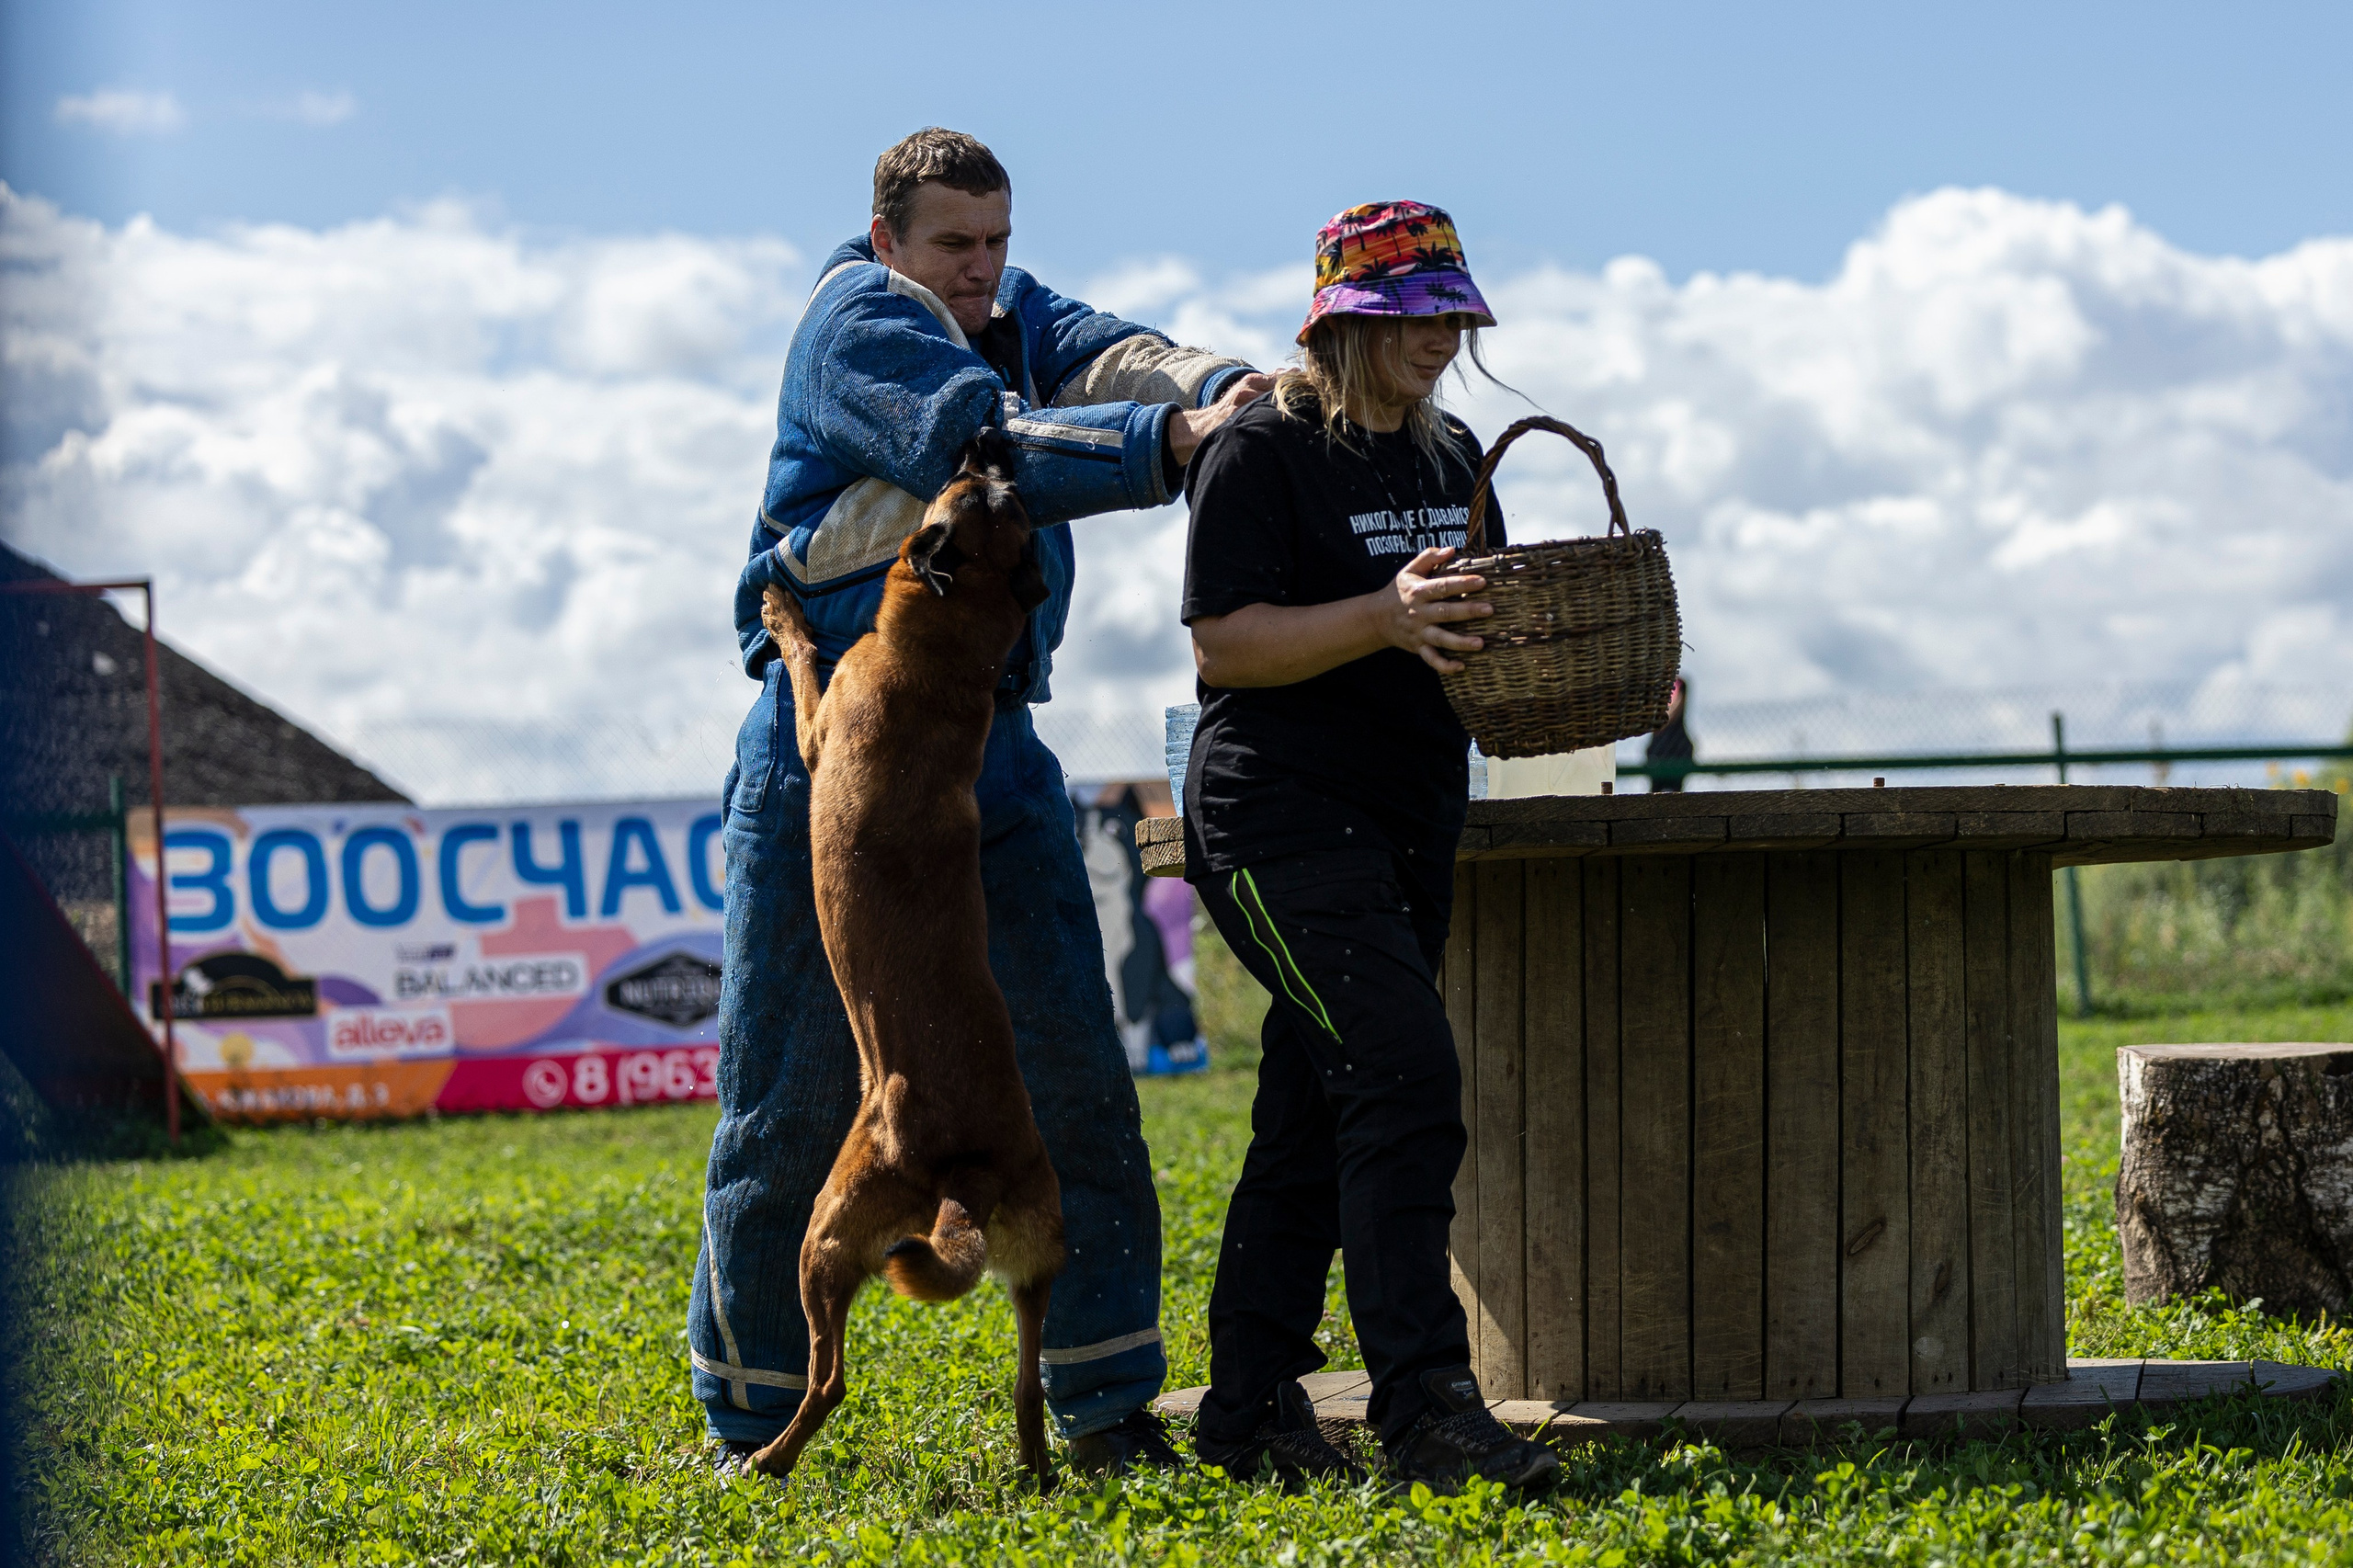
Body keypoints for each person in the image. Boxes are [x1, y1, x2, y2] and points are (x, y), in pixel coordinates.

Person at [694, 128, 1273, 1476]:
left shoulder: (1006, 307)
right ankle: (746, 1414)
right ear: (887, 239)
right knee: (787, 1085)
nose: (985, 269)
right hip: (832, 739)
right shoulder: (859, 326)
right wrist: (1175, 440)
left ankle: (1107, 1402)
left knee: (1070, 1056)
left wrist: (1236, 384)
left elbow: (1117, 350)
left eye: (999, 241)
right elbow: (989, 446)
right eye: (955, 243)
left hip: (991, 738)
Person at [1177, 200, 1561, 1492]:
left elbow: (1474, 630)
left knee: (1309, 1104)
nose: (1441, 338)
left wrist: (1550, 650)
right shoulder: (1264, 452)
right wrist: (1383, 615)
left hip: (1406, 819)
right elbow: (1225, 643)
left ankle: (1246, 1407)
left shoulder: (1453, 455)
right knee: (1403, 1077)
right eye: (1412, 315)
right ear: (1341, 320)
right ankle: (1427, 1409)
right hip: (1277, 822)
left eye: (1453, 312)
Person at [1643, 676, 1693, 791]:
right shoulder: (1658, 683)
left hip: (1675, 741)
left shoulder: (1679, 684)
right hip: (1661, 743)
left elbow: (1676, 707)